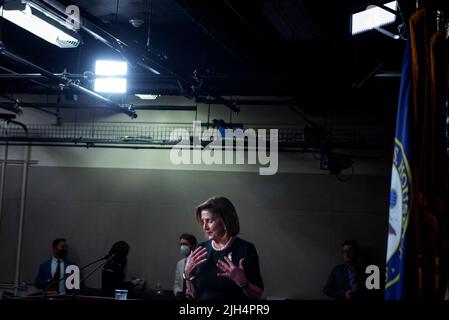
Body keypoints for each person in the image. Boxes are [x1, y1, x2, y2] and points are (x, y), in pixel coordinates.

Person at [184, 196, 264, 300]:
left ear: (225, 221)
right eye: (203, 221)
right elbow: (193, 295)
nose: (205, 227)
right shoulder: (201, 248)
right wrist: (187, 275)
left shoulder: (246, 249)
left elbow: (257, 295)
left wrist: (242, 282)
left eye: (210, 221)